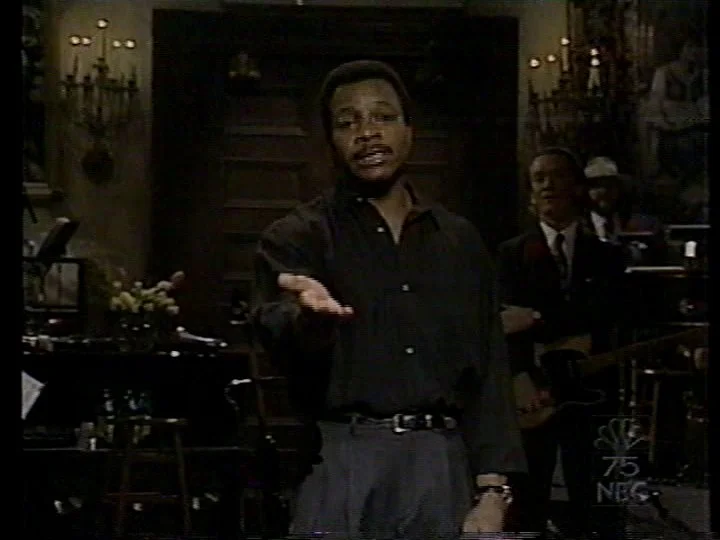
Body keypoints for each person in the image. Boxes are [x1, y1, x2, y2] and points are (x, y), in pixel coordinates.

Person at [252, 59, 526, 539]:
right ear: (330, 141)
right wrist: (311, 320)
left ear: (408, 130)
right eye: (348, 122)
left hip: (441, 463)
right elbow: (276, 329)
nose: (367, 133)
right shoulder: (296, 236)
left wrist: (493, 491)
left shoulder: (459, 241)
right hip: (339, 460)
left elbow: (490, 370)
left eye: (383, 116)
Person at [496, 147, 627, 539]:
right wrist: (520, 375)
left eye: (557, 176)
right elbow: (500, 324)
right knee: (527, 502)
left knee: (593, 501)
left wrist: (536, 318)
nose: (548, 185)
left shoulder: (607, 257)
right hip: (532, 392)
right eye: (539, 179)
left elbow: (604, 317)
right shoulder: (510, 254)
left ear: (577, 188)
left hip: (591, 391)